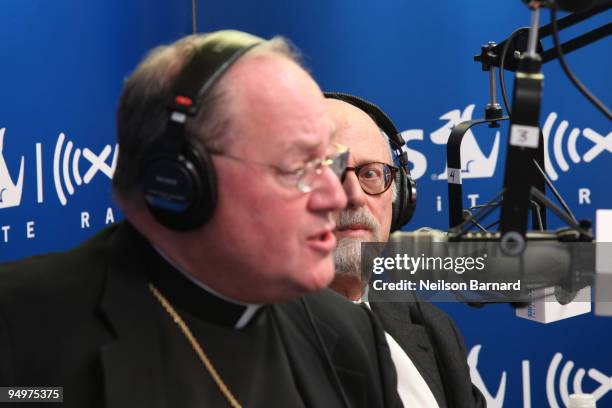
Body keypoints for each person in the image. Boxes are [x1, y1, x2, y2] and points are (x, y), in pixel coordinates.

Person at [0, 31, 401, 408]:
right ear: (179, 181)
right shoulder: (20, 331)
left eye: (329, 162)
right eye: (297, 168)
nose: (334, 197)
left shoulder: (352, 334)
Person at [326, 92, 486, 408]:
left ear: (400, 199)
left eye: (370, 173)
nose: (355, 197)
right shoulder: (260, 338)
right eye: (331, 172)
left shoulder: (434, 328)